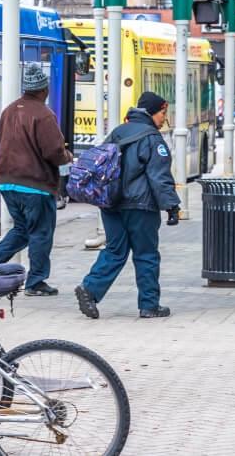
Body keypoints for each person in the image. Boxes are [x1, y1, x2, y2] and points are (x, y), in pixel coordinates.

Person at [76, 91, 180, 320]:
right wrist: (172, 206)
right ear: (154, 112)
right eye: (163, 113)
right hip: (140, 206)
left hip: (110, 204)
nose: (164, 118)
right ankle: (149, 305)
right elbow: (159, 177)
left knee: (115, 250)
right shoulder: (153, 139)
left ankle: (90, 289)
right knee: (146, 254)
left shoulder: (117, 132)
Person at [0, 63, 73, 296]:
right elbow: (53, 151)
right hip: (35, 184)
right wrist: (67, 156)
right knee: (41, 232)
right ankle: (36, 282)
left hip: (7, 180)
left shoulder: (9, 111)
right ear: (43, 89)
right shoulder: (44, 114)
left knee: (22, 229)